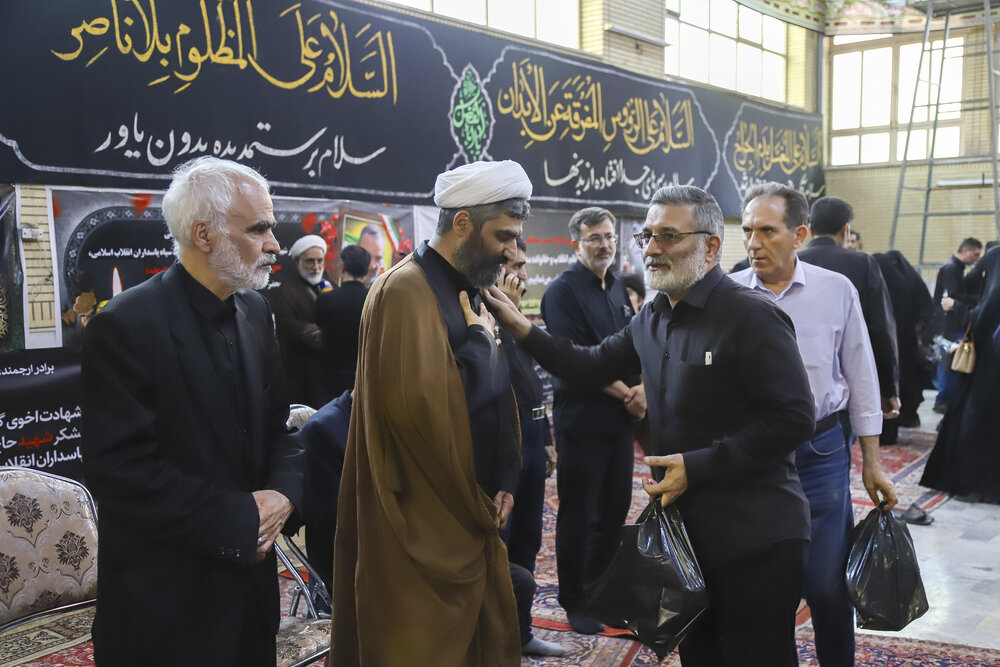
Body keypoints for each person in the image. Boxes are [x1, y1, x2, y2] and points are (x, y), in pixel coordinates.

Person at [484, 185, 815, 667]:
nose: (652, 248)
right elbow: (588, 366)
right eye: (647, 236)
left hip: (756, 538)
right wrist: (521, 327)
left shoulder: (751, 315)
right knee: (701, 656)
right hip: (688, 538)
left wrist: (697, 467)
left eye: (669, 236)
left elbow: (794, 416)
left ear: (711, 246)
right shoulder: (654, 317)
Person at [80, 157, 304, 666]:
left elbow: (280, 430)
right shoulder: (125, 325)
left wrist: (284, 495)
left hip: (250, 599)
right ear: (204, 234)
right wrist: (241, 520)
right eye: (259, 229)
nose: (274, 245)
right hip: (166, 606)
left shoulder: (255, 311)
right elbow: (121, 471)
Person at [331, 160, 531, 666]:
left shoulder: (468, 284)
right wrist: (483, 343)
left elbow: (495, 394)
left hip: (472, 508)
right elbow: (423, 412)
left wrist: (505, 476)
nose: (512, 252)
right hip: (424, 520)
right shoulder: (405, 290)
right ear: (462, 223)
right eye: (504, 236)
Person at [731, 183, 897, 667]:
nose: (754, 243)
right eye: (748, 231)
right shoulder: (730, 293)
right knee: (769, 589)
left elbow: (861, 376)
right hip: (753, 456)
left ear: (799, 235)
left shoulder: (835, 290)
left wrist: (872, 463)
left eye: (767, 231)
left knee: (827, 585)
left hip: (821, 450)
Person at [541, 206, 644, 634]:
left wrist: (641, 389)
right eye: (595, 238)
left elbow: (632, 348)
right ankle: (575, 600)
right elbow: (574, 361)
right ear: (576, 244)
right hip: (582, 422)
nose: (604, 245)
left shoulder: (617, 286)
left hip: (619, 424)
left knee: (613, 512)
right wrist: (629, 395)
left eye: (609, 236)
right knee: (580, 515)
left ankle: (602, 595)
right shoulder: (561, 293)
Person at [496, 236, 566, 657]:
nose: (523, 274)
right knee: (499, 546)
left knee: (528, 539)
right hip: (506, 442)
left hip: (535, 436)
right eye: (516, 266)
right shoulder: (480, 317)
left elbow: (535, 383)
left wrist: (549, 439)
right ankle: (496, 637)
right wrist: (506, 318)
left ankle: (521, 634)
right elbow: (499, 378)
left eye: (524, 265)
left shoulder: (518, 318)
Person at [799, 196, 900, 437]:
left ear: (809, 230)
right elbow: (880, 329)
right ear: (846, 230)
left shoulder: (794, 262)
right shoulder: (863, 263)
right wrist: (888, 388)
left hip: (799, 377)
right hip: (848, 377)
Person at [922, 244, 1000, 503]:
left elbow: (981, 319)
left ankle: (975, 485)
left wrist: (957, 307)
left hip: (988, 371)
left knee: (976, 422)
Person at [873, 250, 934, 432]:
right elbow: (927, 311)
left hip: (884, 343)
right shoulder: (913, 281)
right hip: (909, 344)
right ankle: (907, 415)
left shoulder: (878, 282)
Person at [267, 234, 329, 407]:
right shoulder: (285, 292)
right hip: (298, 374)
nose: (316, 267)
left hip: (326, 375)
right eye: (310, 261)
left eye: (319, 261)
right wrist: (334, 336)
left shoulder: (329, 285)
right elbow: (291, 328)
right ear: (298, 261)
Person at [314, 244, 370, 403]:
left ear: (343, 267)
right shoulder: (374, 299)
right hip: (364, 377)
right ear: (366, 270)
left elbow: (319, 326)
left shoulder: (326, 299)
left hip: (331, 379)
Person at [933, 237, 984, 413]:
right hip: (950, 327)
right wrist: (981, 300)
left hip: (951, 325)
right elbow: (954, 296)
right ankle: (943, 402)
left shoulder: (955, 269)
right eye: (976, 254)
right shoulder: (952, 269)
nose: (977, 259)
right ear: (966, 251)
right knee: (950, 365)